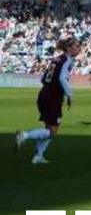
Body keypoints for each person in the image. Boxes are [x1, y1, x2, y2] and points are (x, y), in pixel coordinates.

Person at [15, 37, 80, 165]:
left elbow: (44, 78)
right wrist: (69, 94)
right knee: (52, 130)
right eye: (77, 47)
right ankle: (24, 135)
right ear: (69, 48)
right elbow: (62, 78)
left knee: (49, 128)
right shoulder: (67, 60)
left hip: (44, 93)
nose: (79, 49)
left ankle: (38, 156)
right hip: (53, 96)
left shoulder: (56, 59)